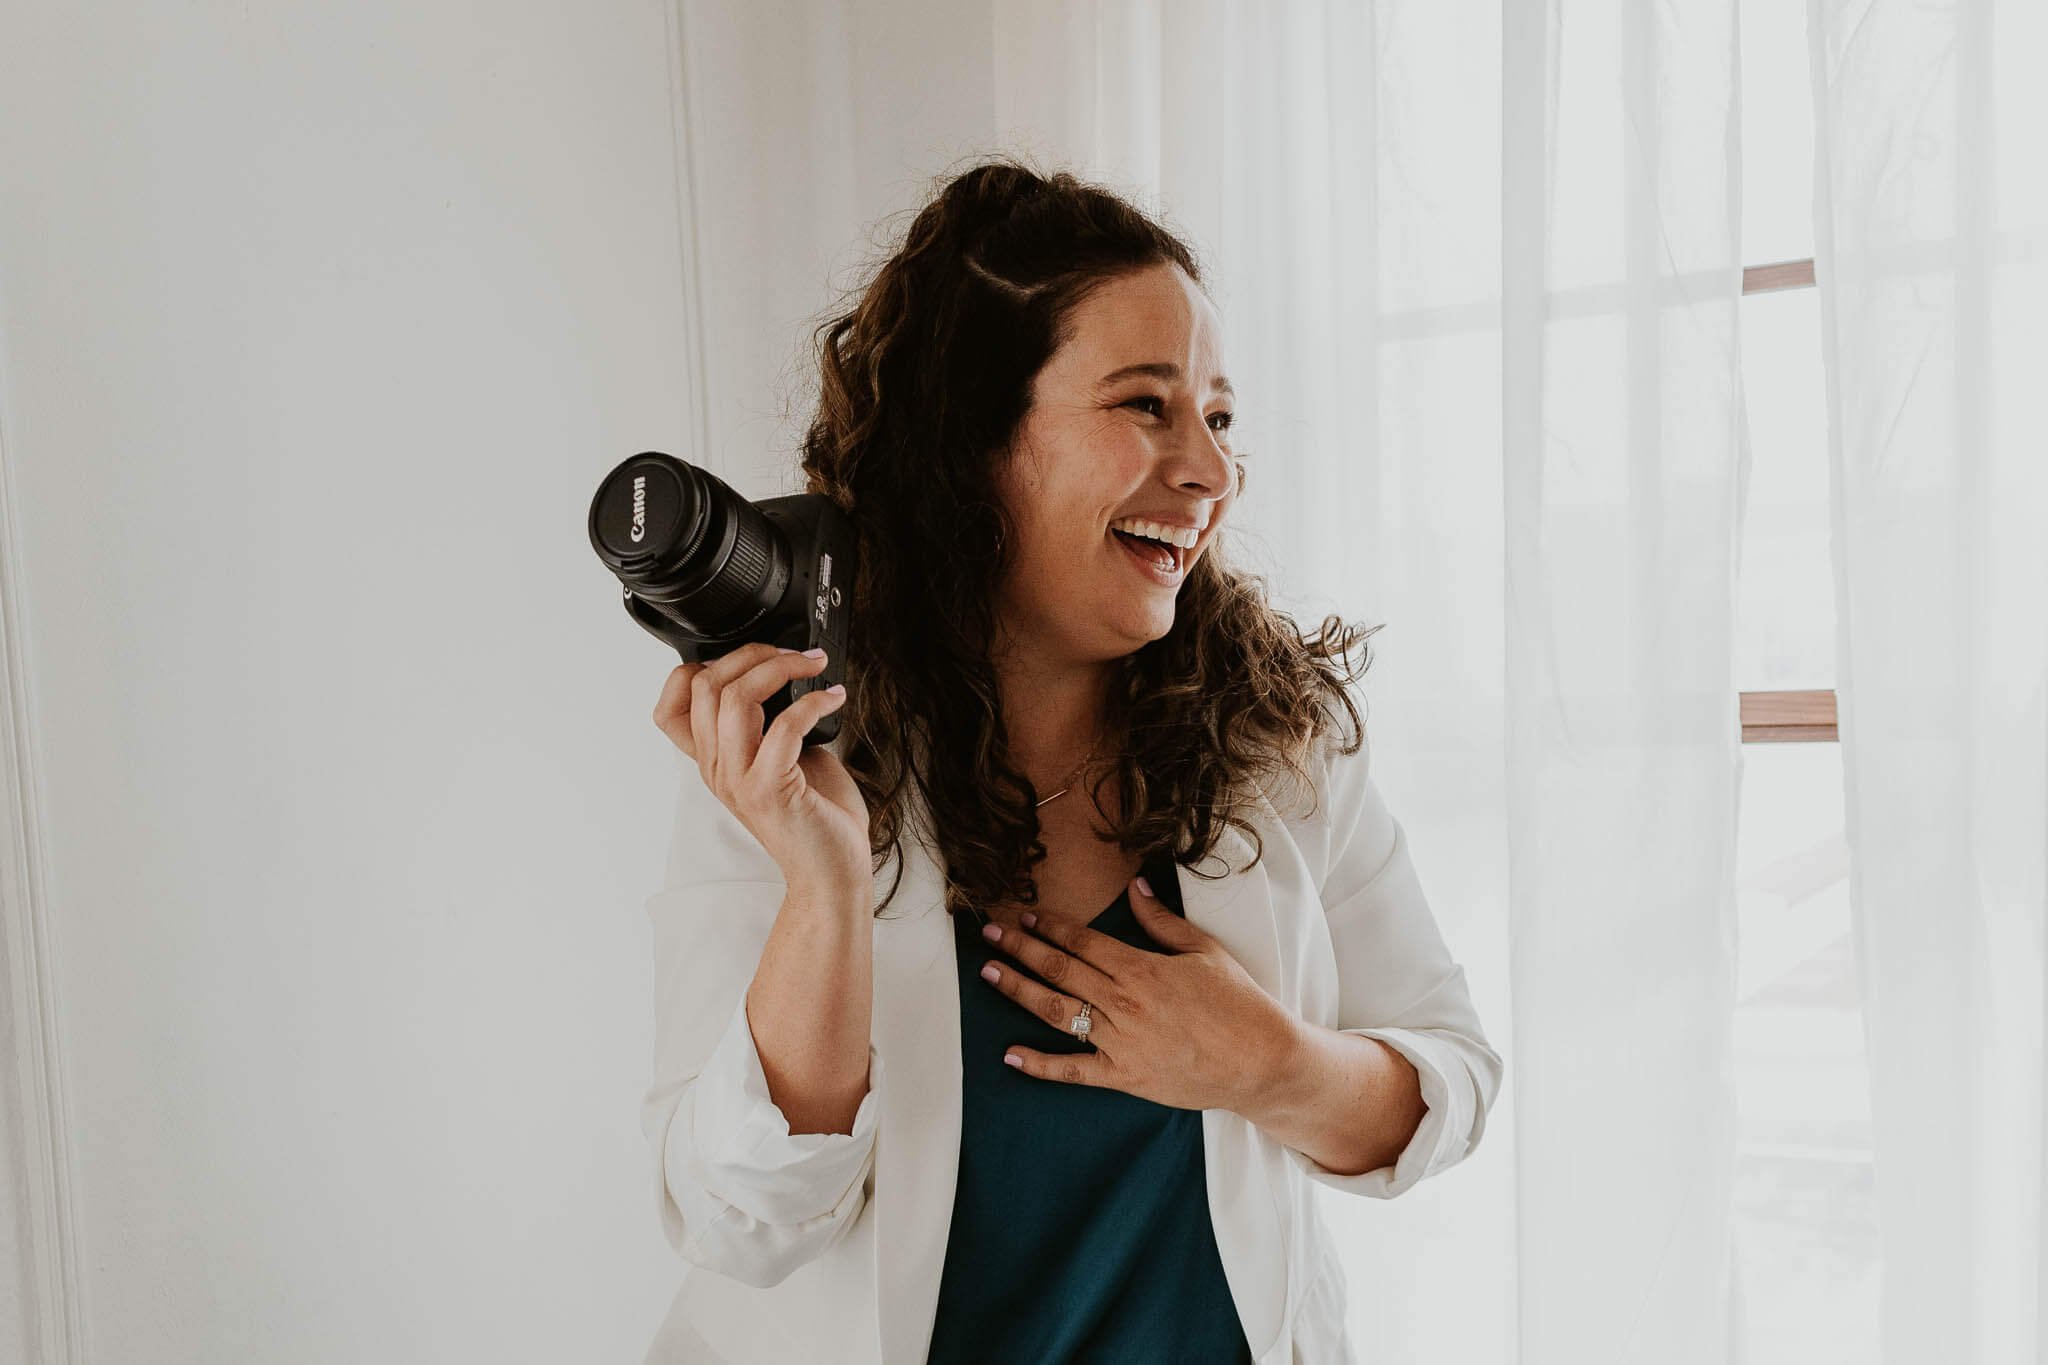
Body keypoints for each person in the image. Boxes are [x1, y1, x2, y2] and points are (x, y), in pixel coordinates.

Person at [638, 156, 1503, 1365]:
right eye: (1144, 405)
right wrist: (824, 894)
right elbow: (741, 1223)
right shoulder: (794, 762)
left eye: (1217, 417)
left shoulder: (1277, 741)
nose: (1209, 470)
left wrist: (1267, 1065)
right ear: (973, 443)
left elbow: (1450, 1085)